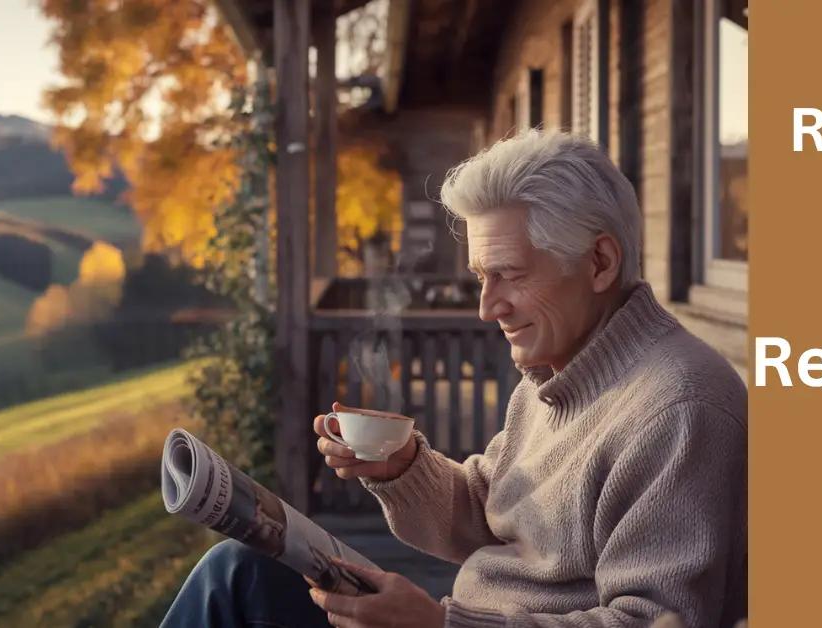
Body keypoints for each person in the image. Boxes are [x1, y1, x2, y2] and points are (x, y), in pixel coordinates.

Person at [162, 130, 747, 628]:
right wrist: (403, 469)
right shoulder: (553, 378)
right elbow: (485, 513)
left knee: (231, 589)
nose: (488, 307)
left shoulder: (681, 409)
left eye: (509, 275)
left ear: (599, 262)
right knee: (240, 571)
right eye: (479, 278)